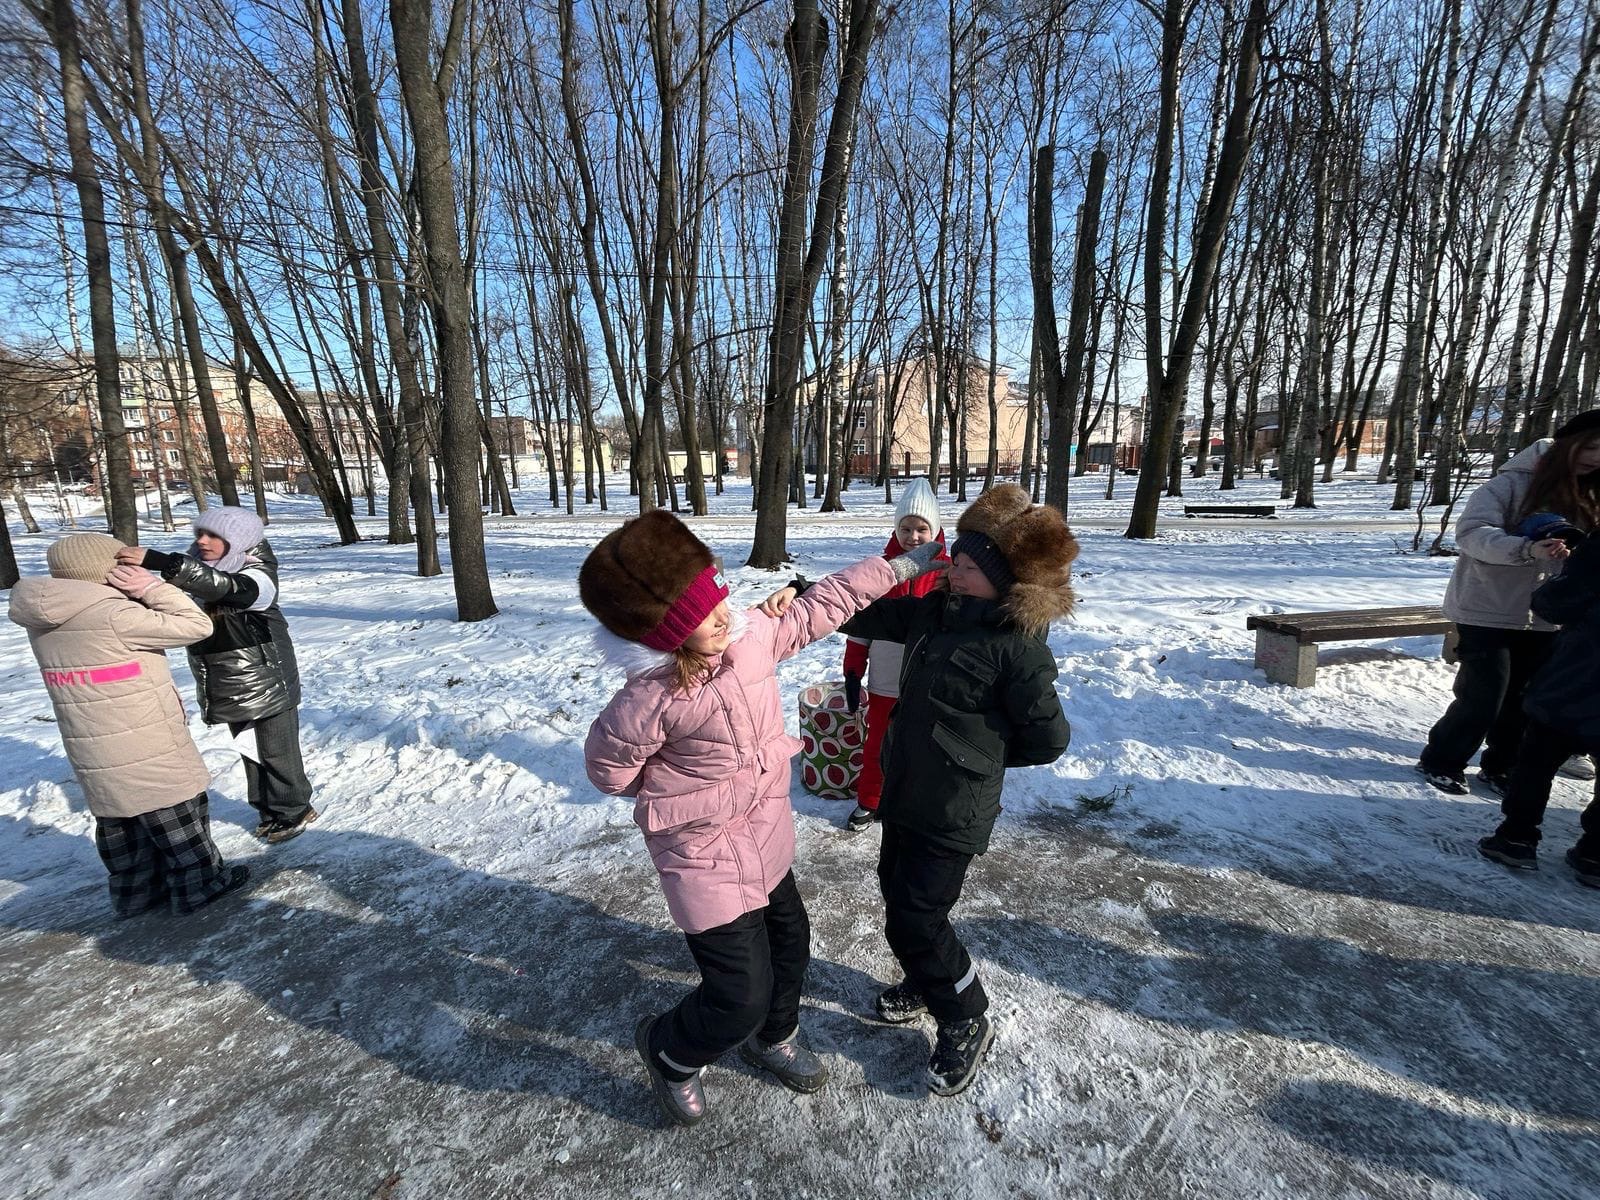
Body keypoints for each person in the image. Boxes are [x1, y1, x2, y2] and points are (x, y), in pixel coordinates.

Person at [579, 510, 943, 1126]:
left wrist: (902, 567)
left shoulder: (748, 640)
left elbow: (823, 604)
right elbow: (608, 770)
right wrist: (682, 796)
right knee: (737, 996)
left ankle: (773, 1039)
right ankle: (670, 1049)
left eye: (721, 597)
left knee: (791, 948)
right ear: (664, 633)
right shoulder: (650, 698)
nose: (725, 614)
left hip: (768, 841)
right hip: (703, 859)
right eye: (703, 614)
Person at [839, 483, 1075, 1097]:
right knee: (899, 899)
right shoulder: (931, 611)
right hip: (905, 791)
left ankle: (966, 1016)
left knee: (917, 917)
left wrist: (977, 758)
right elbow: (865, 612)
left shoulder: (1017, 649)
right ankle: (928, 975)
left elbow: (1047, 740)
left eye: (968, 566)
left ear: (1006, 581)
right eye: (957, 560)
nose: (953, 568)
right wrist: (811, 593)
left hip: (953, 809)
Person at [8, 533, 250, 916]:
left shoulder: (43, 614)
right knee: (175, 814)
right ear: (112, 570)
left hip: (89, 740)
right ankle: (200, 886)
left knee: (120, 821)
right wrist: (154, 588)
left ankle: (136, 894)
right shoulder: (116, 615)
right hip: (145, 735)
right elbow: (196, 625)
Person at [1416, 415, 1600, 796]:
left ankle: (1501, 765)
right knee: (1484, 696)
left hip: (1550, 616)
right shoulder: (1511, 483)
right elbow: (1472, 533)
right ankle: (1442, 759)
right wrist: (1525, 549)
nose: (1596, 458)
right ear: (1569, 442)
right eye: (1591, 446)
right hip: (1488, 608)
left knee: (1525, 700)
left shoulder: (1594, 492)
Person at [117, 506, 314, 844]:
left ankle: (294, 809)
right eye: (200, 534)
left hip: (266, 674)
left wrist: (163, 562)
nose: (203, 541)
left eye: (214, 536)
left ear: (236, 540)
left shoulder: (258, 571)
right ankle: (269, 809)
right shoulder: (199, 569)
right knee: (250, 747)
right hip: (225, 676)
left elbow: (236, 590)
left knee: (276, 748)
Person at [1477, 530, 1600, 887]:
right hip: (1581, 674)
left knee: (1535, 761)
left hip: (1579, 677)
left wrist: (1556, 580)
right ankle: (1595, 854)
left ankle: (1516, 837)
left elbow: (1556, 604)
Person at [840, 479, 948, 832]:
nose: (913, 537)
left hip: (928, 684)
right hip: (885, 682)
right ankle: (870, 800)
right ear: (895, 528)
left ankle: (917, 803)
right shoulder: (881, 571)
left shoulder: (948, 573)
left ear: (935, 529)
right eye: (906, 528)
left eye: (921, 529)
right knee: (878, 746)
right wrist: (853, 672)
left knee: (925, 748)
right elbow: (861, 628)